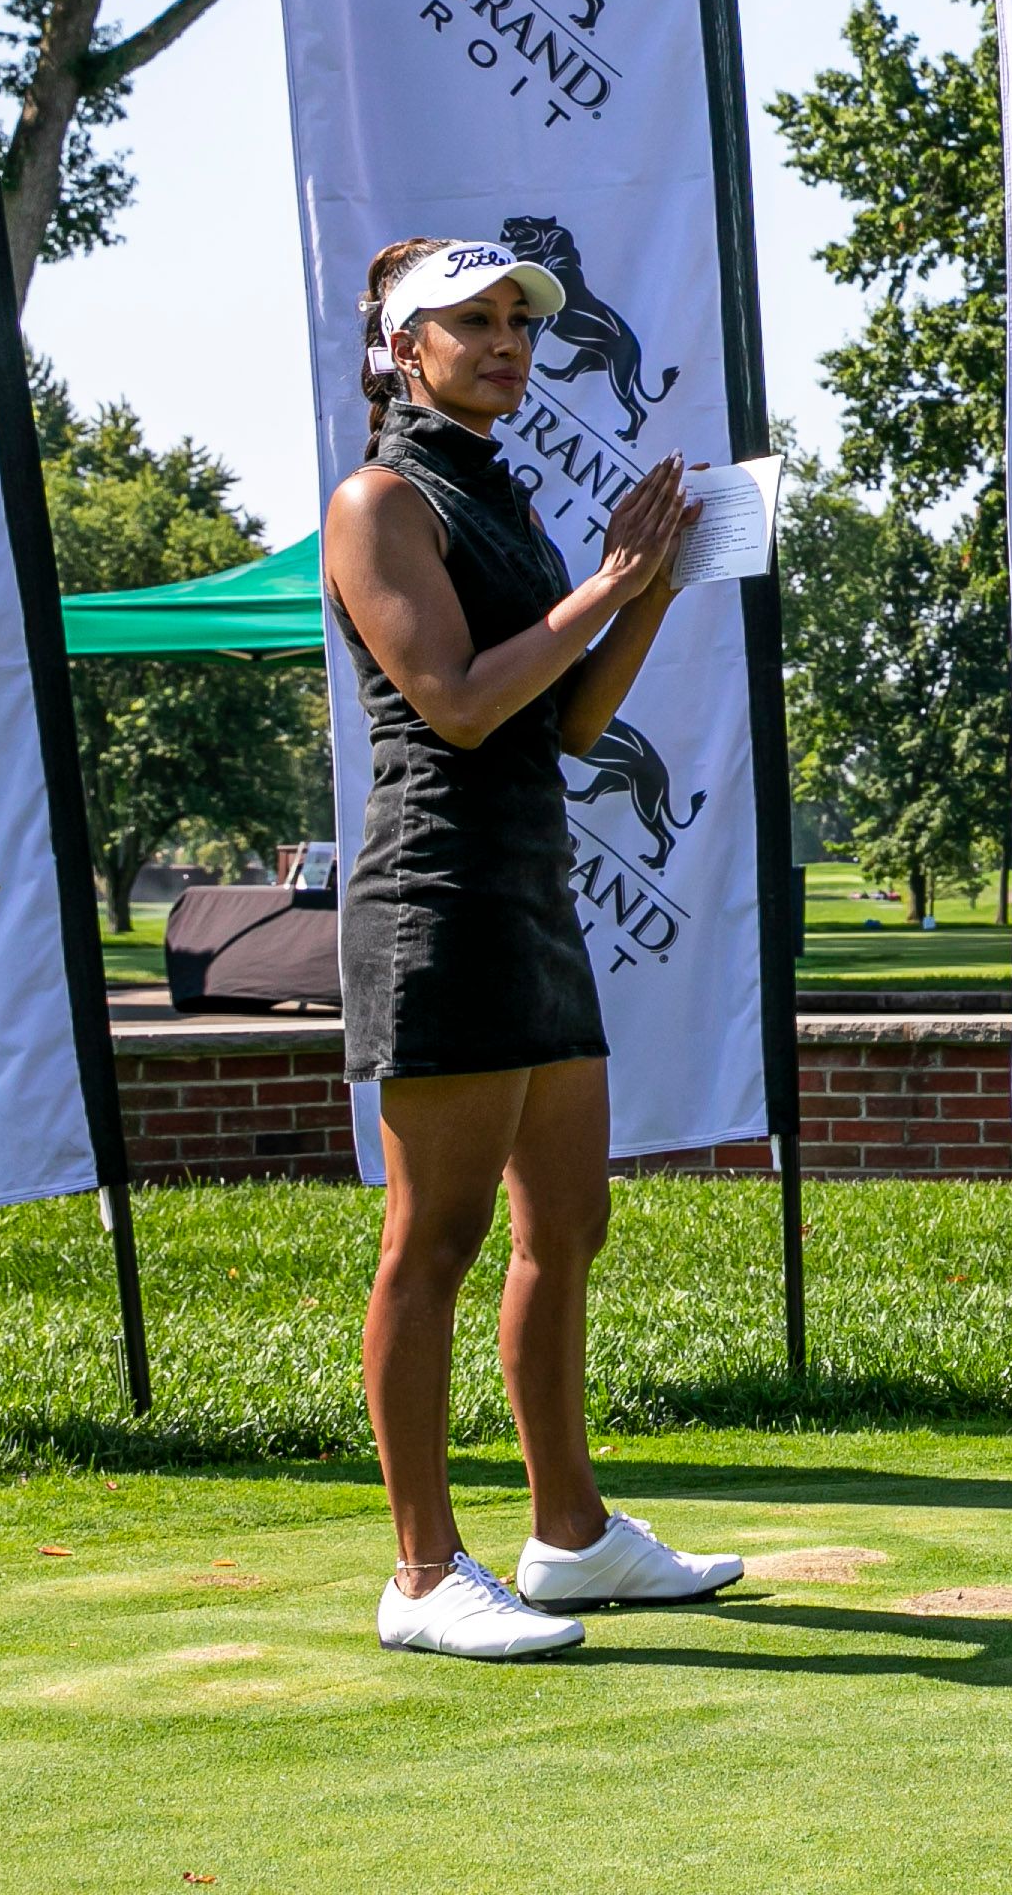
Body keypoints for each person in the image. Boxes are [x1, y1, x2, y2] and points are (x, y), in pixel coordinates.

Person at [324, 235, 746, 1660]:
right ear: (403, 349)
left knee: (566, 1223)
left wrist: (656, 587)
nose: (506, 342)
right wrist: (603, 584)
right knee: (432, 1238)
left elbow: (565, 723)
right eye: (472, 323)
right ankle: (423, 1572)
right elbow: (449, 702)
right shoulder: (377, 500)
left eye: (518, 322)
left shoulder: (494, 497)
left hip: (529, 888)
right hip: (434, 895)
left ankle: (569, 1539)